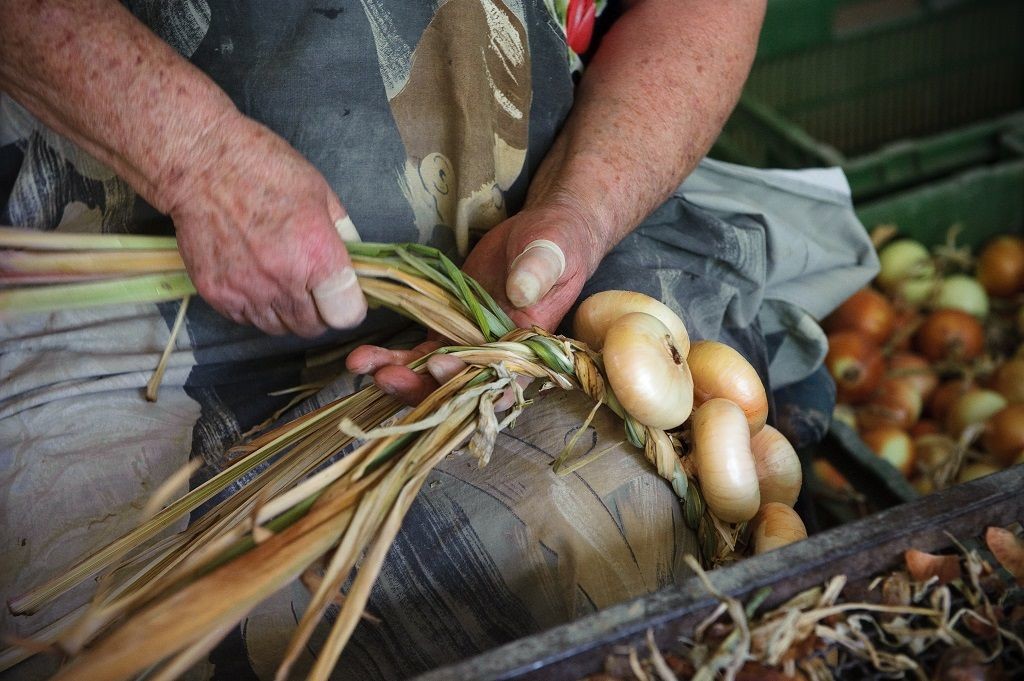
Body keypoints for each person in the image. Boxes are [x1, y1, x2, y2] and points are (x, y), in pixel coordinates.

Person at [0, 1, 877, 678]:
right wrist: (192, 155)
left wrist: (583, 205)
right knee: (101, 617)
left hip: (524, 235)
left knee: (628, 537)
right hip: (122, 266)